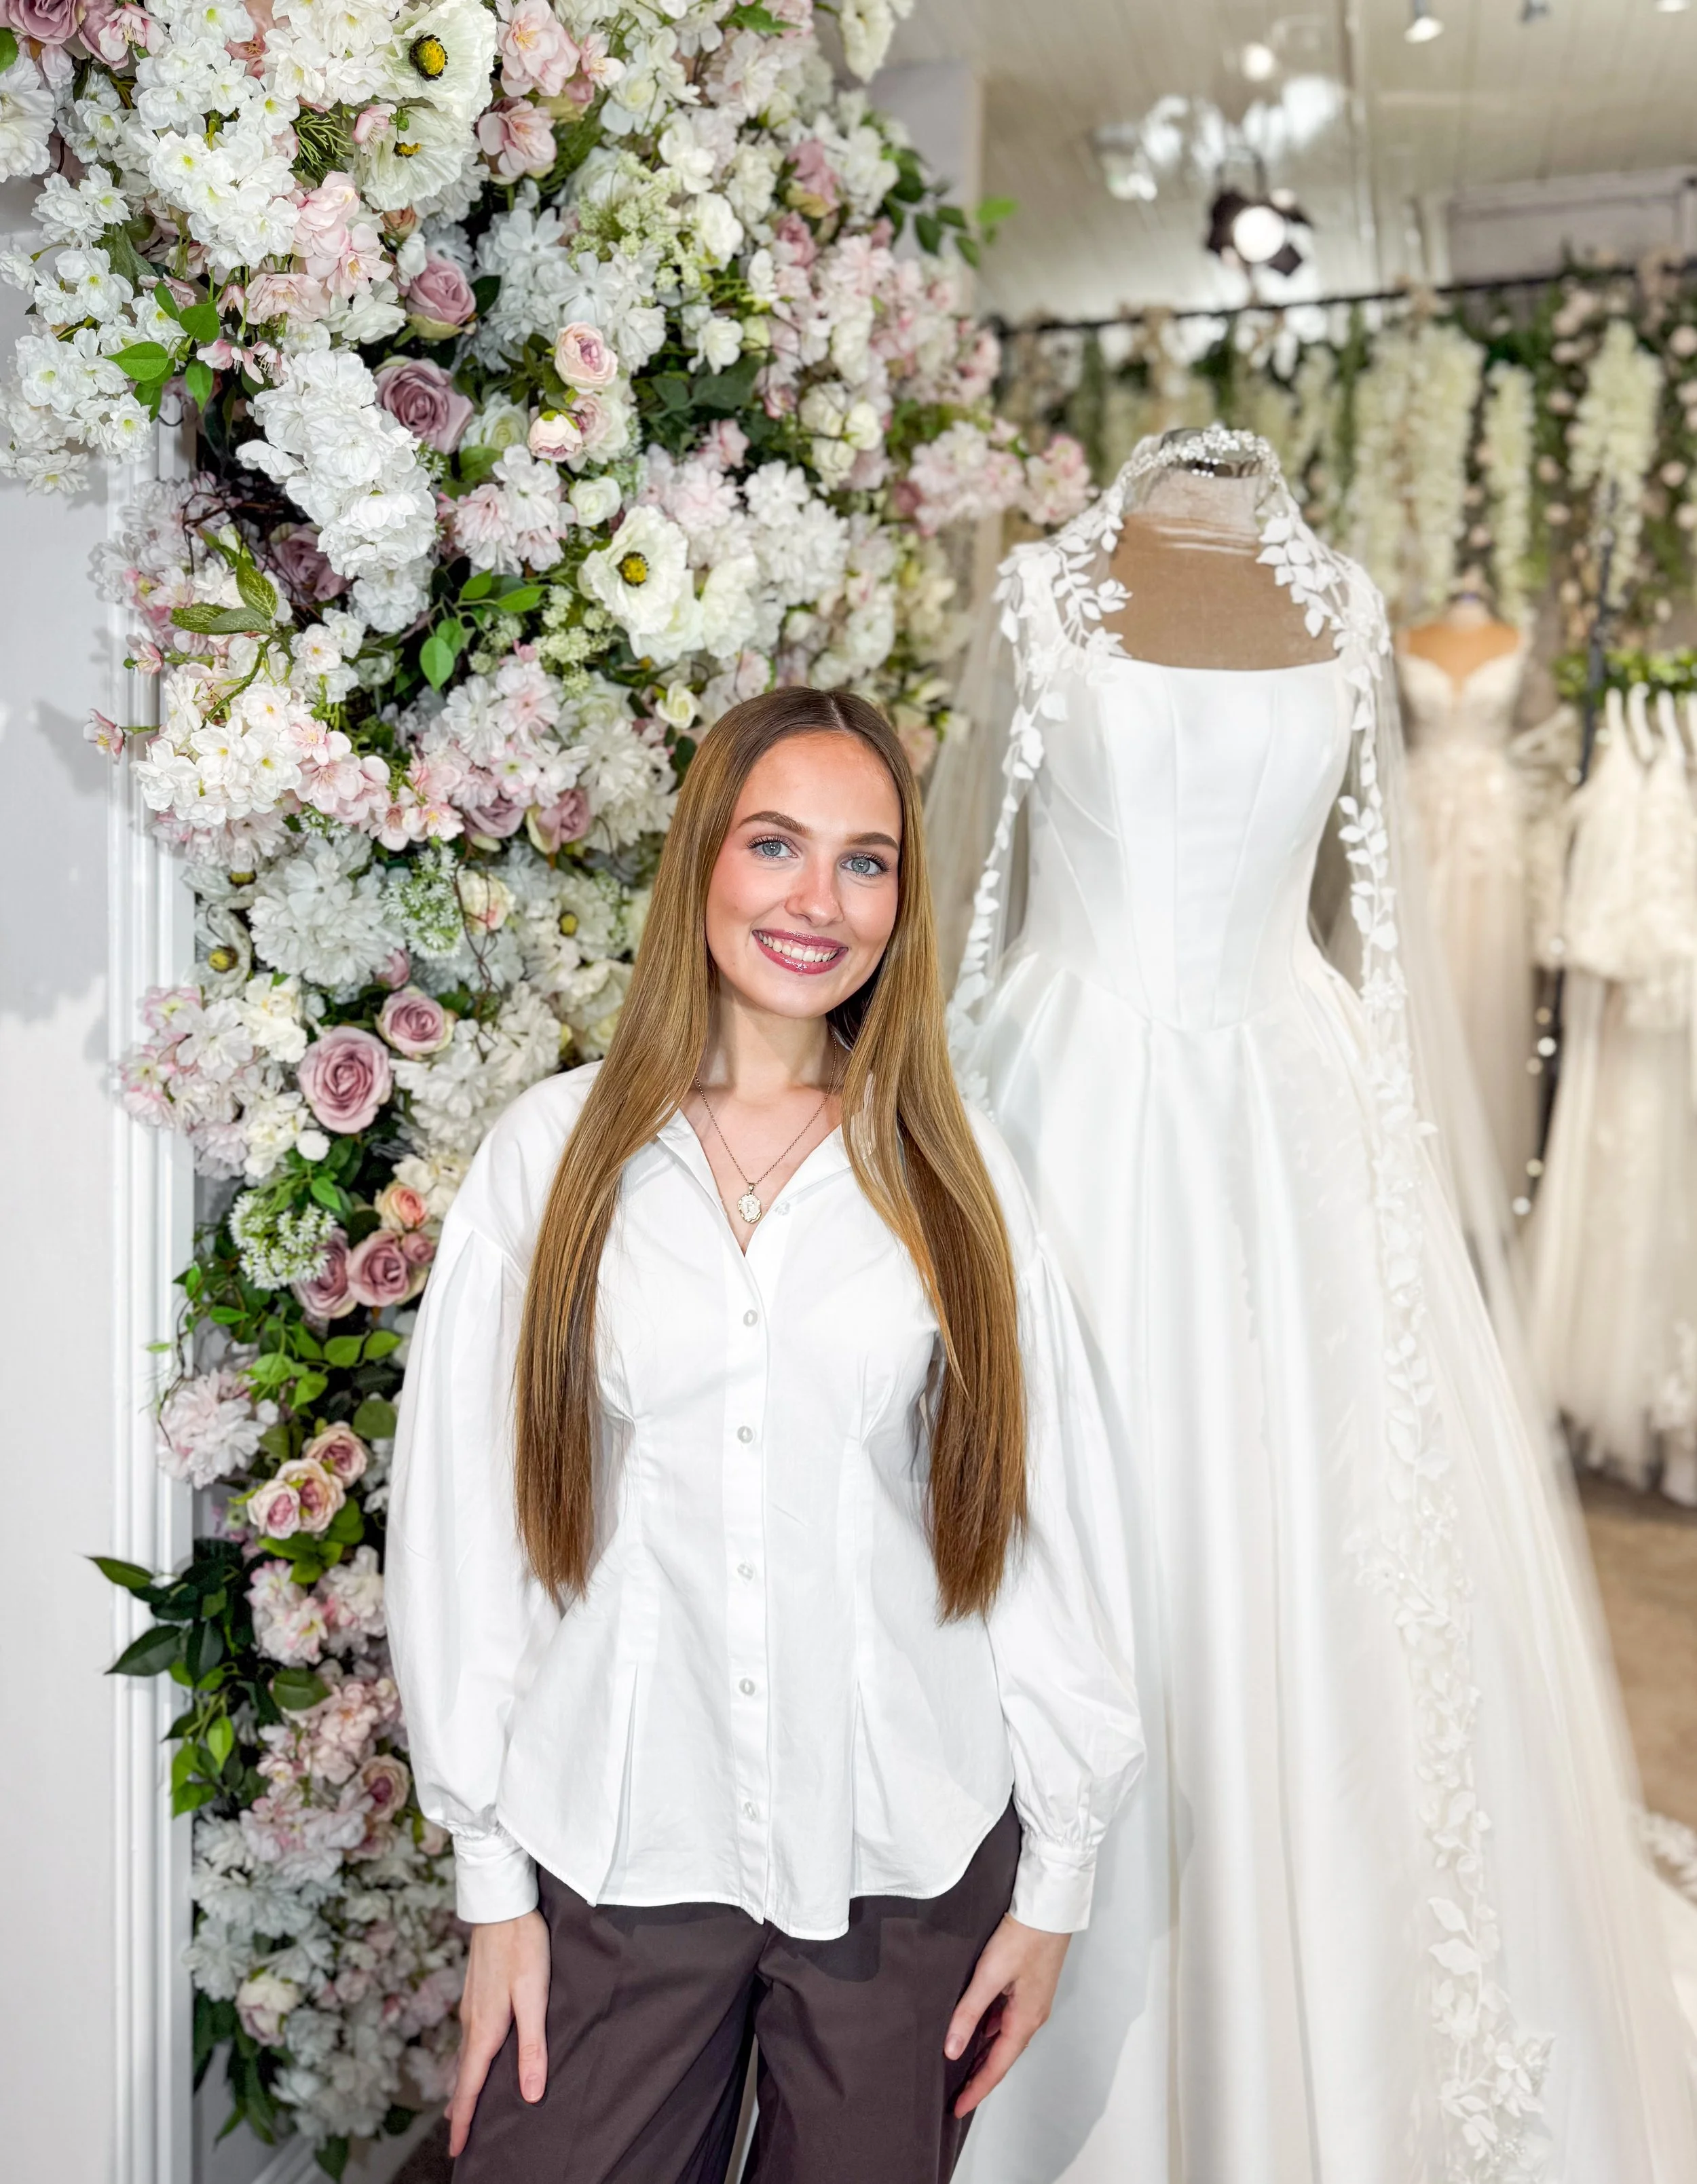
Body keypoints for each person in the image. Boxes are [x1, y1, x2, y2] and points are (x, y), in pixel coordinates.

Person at [939, 428, 1697, 2184]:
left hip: (1288, 1108)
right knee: (1076, 1519)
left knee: (1323, 1543)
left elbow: (1362, 909)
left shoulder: (1342, 606)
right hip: (1062, 1112)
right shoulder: (1041, 591)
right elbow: (979, 893)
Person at [387, 686, 1142, 2184]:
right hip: (616, 1853)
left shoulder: (954, 1170)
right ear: (700, 867)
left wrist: (1052, 1887)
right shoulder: (550, 1159)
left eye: (866, 862)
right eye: (776, 845)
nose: (818, 901)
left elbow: (1049, 1524)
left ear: (901, 903)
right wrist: (491, 1888)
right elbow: (464, 1536)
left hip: (899, 1864)